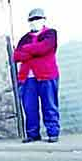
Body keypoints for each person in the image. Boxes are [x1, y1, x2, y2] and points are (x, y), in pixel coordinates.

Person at [13, 8, 60, 143]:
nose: (35, 22)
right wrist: (35, 51)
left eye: (38, 19)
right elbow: (16, 55)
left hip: (47, 75)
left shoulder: (50, 34)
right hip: (27, 78)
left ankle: (53, 132)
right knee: (29, 107)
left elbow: (45, 47)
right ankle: (33, 134)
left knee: (49, 104)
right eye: (32, 20)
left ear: (44, 20)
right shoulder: (25, 38)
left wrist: (27, 51)